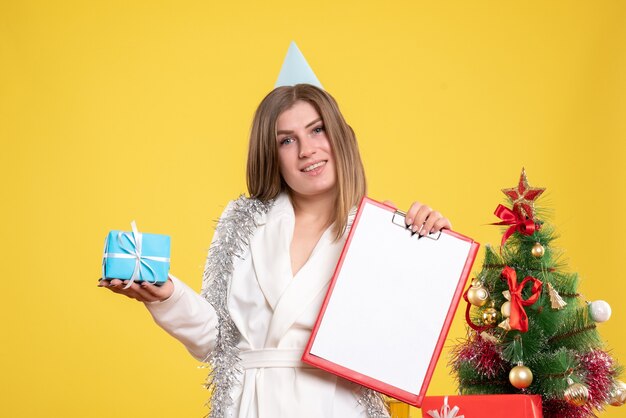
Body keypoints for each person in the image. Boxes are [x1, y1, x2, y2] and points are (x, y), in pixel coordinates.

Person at [99, 84, 452, 418]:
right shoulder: (241, 222)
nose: (307, 150)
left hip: (337, 406)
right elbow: (216, 340)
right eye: (287, 140)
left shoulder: (382, 231)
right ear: (272, 155)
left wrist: (432, 248)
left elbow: (400, 344)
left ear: (339, 136)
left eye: (317, 130)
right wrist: (166, 296)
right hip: (251, 404)